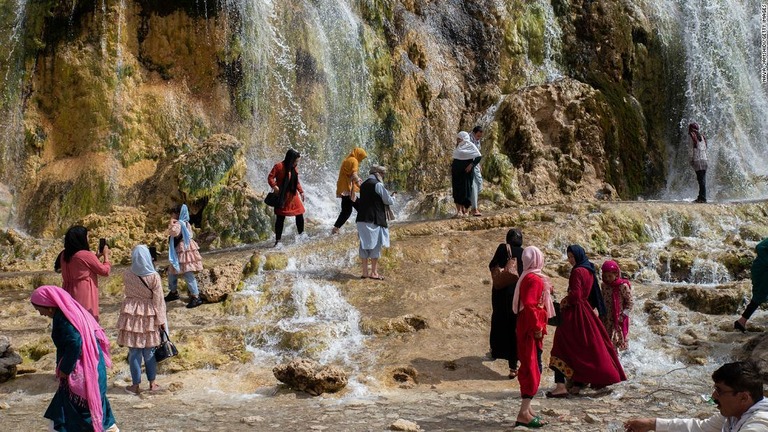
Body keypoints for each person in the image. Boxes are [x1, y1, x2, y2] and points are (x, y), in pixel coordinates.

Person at [30, 285, 119, 432]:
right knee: (96, 409)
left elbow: (75, 342)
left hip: (83, 374)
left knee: (68, 418)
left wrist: (65, 369)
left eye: (40, 309)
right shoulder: (74, 311)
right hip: (94, 366)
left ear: (49, 306)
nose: (40, 314)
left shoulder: (63, 318)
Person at [547, 244, 625, 397]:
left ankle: (561, 386)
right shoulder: (589, 269)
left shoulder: (577, 271)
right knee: (583, 348)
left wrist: (565, 300)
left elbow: (575, 295)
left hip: (574, 314)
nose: (570, 260)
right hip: (586, 312)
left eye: (572, 257)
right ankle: (577, 383)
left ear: (578, 256)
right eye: (568, 257)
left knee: (559, 346)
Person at [624, 361, 768, 432]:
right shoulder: (734, 414)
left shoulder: (759, 424)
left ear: (743, 398)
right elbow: (700, 428)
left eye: (720, 391)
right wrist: (651, 423)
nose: (713, 396)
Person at [511, 246, 555, 428]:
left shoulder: (527, 277)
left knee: (531, 365)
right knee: (533, 367)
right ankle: (523, 413)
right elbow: (531, 305)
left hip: (524, 325)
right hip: (531, 328)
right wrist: (537, 327)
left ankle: (527, 410)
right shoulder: (534, 279)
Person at [117, 245, 167, 395]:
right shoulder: (154, 276)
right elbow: (158, 300)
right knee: (149, 351)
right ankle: (152, 383)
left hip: (131, 313)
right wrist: (162, 320)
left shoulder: (127, 274)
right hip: (149, 314)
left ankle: (135, 385)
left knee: (134, 352)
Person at [488, 228, 524, 379]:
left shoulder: (503, 248)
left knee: (499, 321)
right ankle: (513, 367)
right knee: (514, 328)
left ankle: (496, 351)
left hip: (501, 293)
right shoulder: (524, 252)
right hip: (517, 294)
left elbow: (492, 265)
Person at [59, 226, 111, 322]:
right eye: (86, 236)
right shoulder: (85, 254)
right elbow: (105, 271)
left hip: (67, 291)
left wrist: (95, 257)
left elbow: (81, 266)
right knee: (87, 321)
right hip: (84, 292)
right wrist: (106, 256)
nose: (88, 239)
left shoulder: (63, 254)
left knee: (74, 321)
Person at [355, 165, 395, 280]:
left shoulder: (363, 185)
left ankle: (364, 272)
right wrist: (394, 197)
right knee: (375, 245)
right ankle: (374, 272)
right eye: (383, 174)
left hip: (361, 219)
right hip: (374, 219)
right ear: (378, 173)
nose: (383, 177)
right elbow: (388, 200)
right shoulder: (378, 184)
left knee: (364, 245)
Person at [164, 204, 204, 308]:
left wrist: (171, 223)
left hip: (182, 250)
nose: (171, 215)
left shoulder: (179, 224)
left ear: (177, 214)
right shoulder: (186, 223)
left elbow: (173, 233)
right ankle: (173, 292)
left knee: (187, 272)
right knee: (172, 271)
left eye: (173, 213)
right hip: (184, 249)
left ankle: (196, 297)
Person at [268, 148, 306, 246]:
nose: (296, 163)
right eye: (295, 161)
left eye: (297, 162)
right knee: (280, 217)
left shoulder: (294, 168)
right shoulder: (279, 166)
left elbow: (296, 182)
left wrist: (301, 192)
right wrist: (274, 186)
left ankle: (302, 236)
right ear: (290, 159)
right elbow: (270, 177)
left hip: (293, 195)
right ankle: (278, 241)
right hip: (282, 196)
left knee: (300, 214)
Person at [734, 237, 768, 332]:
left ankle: (741, 322)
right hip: (762, 270)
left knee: (759, 296)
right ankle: (741, 322)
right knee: (759, 296)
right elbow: (759, 246)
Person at [332, 147, 367, 234]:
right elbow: (354, 174)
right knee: (347, 211)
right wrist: (361, 185)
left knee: (359, 207)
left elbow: (349, 174)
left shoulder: (348, 159)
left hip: (345, 188)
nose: (361, 160)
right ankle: (335, 229)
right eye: (361, 158)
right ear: (358, 155)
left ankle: (364, 223)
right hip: (347, 189)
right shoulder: (354, 161)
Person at [600, 260, 633, 351]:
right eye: (605, 276)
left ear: (616, 274)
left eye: (610, 276)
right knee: (606, 339)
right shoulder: (604, 285)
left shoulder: (623, 286)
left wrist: (624, 315)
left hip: (618, 318)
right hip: (606, 317)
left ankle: (616, 360)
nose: (608, 279)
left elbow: (630, 302)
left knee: (616, 340)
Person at [451, 131, 481, 217]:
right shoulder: (458, 147)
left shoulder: (471, 146)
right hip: (456, 171)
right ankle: (459, 211)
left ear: (464, 138)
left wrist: (471, 165)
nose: (458, 140)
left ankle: (466, 211)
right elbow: (456, 157)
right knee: (457, 190)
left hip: (466, 172)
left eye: (459, 139)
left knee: (466, 190)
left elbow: (478, 157)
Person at [688, 122, 708, 203]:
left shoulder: (691, 136)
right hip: (705, 160)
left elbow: (690, 150)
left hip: (697, 160)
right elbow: (705, 148)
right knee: (702, 179)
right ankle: (701, 197)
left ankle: (703, 198)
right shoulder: (702, 137)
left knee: (701, 180)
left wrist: (690, 161)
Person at [469, 126, 484, 217]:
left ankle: (472, 205)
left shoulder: (477, 140)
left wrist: (478, 164)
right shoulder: (468, 139)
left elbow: (477, 153)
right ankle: (474, 209)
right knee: (474, 186)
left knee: (479, 184)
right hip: (470, 165)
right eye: (478, 136)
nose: (479, 138)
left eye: (480, 136)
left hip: (475, 165)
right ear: (473, 133)